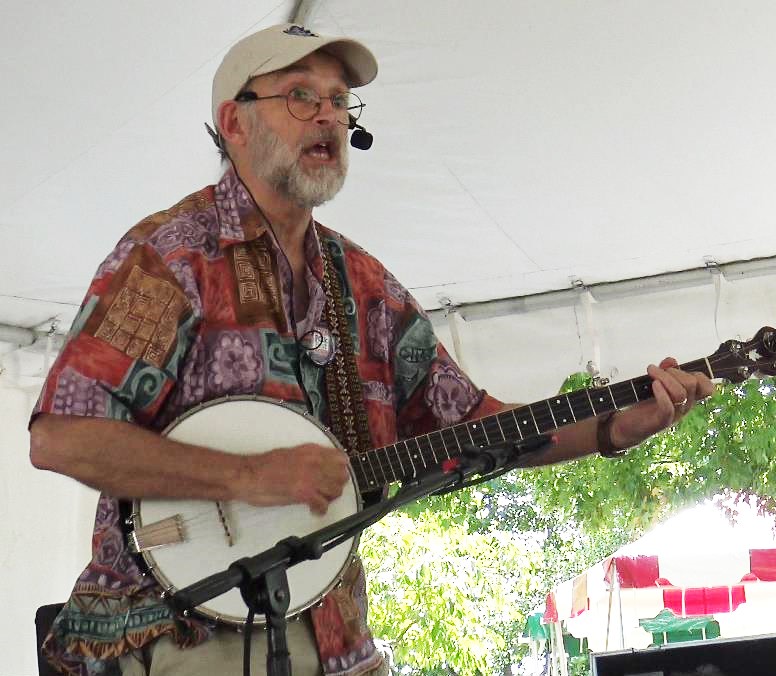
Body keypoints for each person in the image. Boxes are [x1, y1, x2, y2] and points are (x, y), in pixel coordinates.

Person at [29, 23, 714, 676]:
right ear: (234, 123)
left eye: (337, 101)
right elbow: (62, 439)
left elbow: (479, 425)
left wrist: (614, 426)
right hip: (178, 632)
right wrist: (245, 478)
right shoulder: (173, 257)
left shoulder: (362, 285)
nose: (328, 116)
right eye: (300, 96)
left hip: (336, 635)